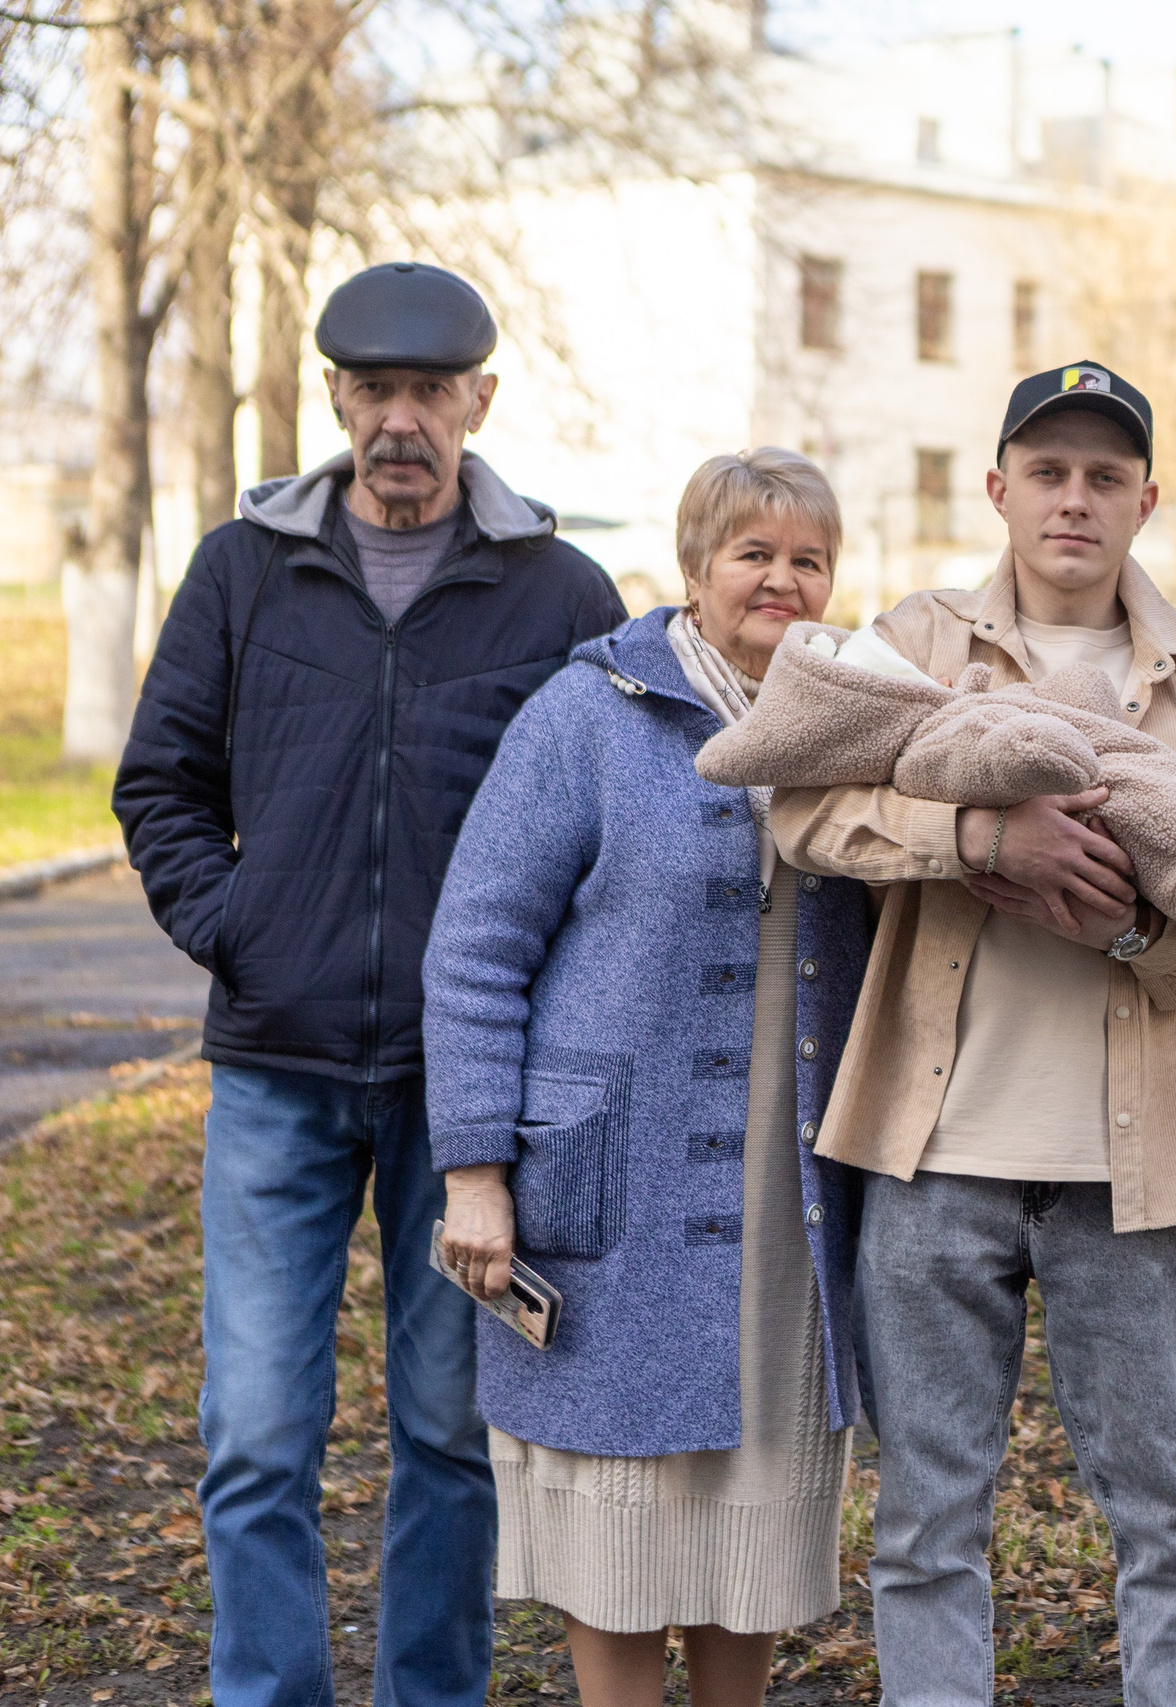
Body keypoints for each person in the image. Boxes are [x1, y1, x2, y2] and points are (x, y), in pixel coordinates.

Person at [113, 262, 622, 1707]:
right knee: (259, 1433)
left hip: (467, 1096)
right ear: (334, 395)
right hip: (276, 1065)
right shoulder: (243, 567)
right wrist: (242, 925)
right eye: (374, 389)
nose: (401, 419)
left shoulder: (559, 592)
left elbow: (599, 827)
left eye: (429, 391)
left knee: (452, 1434)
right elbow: (159, 782)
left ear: (480, 400)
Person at [764, 362, 1176, 1707]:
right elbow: (802, 808)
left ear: (1147, 500)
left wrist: (1116, 922)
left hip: (1141, 1174)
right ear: (999, 489)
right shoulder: (916, 639)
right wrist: (980, 834)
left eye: (1105, 476)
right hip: (933, 1154)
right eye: (1047, 471)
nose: (1074, 498)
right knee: (929, 1521)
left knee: (1171, 1520)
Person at [422, 447, 868, 1702]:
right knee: (615, 1520)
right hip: (610, 1178)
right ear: (692, 568)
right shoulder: (588, 714)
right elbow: (474, 951)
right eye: (753, 555)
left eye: (808, 559)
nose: (781, 581)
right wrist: (477, 1176)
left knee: (755, 1516)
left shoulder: (852, 721)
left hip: (788, 1187)